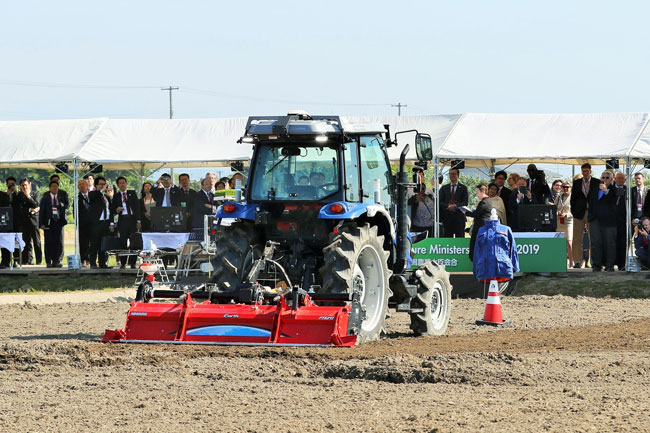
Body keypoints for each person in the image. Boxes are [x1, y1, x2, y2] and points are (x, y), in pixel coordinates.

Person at [465, 183, 507, 262]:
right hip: (482, 230)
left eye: (477, 192)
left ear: (483, 191)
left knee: (476, 252)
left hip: (480, 230)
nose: (477, 195)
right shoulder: (488, 201)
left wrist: (465, 212)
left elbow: (476, 214)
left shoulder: (485, 202)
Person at [570, 163, 600, 268]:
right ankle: (577, 261)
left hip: (592, 213)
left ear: (590, 171)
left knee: (594, 238)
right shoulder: (577, 183)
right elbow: (572, 199)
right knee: (577, 238)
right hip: (579, 213)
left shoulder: (597, 182)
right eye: (583, 171)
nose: (585, 173)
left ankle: (593, 261)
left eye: (587, 171)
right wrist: (574, 211)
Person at [588, 171, 617, 272]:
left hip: (609, 222)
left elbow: (613, 202)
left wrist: (606, 191)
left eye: (607, 178)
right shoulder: (595, 190)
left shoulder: (614, 190)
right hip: (595, 221)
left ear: (611, 179)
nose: (604, 179)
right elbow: (590, 203)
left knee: (609, 244)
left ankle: (609, 265)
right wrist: (590, 217)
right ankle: (596, 265)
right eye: (602, 177)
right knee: (596, 243)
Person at [111, 176, 141, 269]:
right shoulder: (116, 196)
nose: (122, 184)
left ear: (126, 184)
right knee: (122, 242)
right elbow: (112, 210)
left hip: (132, 220)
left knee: (134, 242)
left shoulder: (132, 193)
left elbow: (137, 207)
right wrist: (117, 209)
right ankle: (123, 263)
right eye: (120, 183)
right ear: (118, 185)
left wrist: (138, 220)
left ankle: (132, 263)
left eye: (124, 182)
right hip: (122, 220)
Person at [39, 180, 67, 268]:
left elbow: (63, 209)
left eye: (56, 186)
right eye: (53, 186)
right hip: (48, 223)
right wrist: (41, 224)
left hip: (58, 223)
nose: (55, 188)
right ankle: (48, 261)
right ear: (50, 188)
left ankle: (56, 261)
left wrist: (62, 221)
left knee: (57, 242)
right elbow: (42, 212)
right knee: (48, 242)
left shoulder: (60, 199)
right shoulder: (45, 199)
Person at [88, 176, 114, 269]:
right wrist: (101, 191)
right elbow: (91, 198)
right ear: (96, 185)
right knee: (94, 243)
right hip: (96, 223)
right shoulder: (93, 194)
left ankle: (103, 263)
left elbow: (111, 210)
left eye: (104, 184)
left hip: (105, 223)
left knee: (104, 244)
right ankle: (92, 263)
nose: (103, 186)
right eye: (101, 184)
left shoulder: (106, 196)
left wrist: (111, 223)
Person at [15, 178, 41, 265]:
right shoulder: (19, 195)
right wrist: (30, 209)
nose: (24, 187)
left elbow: (36, 204)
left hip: (34, 221)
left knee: (37, 242)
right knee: (26, 242)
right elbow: (20, 208)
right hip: (24, 221)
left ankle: (39, 260)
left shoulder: (36, 193)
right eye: (22, 185)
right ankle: (27, 260)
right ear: (20, 187)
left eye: (26, 185)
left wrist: (28, 196)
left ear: (29, 184)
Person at [438, 168, 468, 237]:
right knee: (447, 239)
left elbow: (465, 202)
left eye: (454, 174)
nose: (452, 176)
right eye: (450, 174)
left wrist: (455, 206)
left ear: (458, 175)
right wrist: (448, 206)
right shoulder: (444, 188)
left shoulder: (463, 188)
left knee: (460, 239)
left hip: (459, 218)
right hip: (447, 218)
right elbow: (440, 202)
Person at [49, 174, 69, 265]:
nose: (56, 183)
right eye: (54, 181)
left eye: (58, 181)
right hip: (50, 220)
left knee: (60, 240)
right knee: (51, 240)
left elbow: (67, 205)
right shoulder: (47, 194)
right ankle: (51, 259)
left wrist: (61, 206)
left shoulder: (63, 193)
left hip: (59, 220)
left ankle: (59, 258)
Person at [555, 182, 574, 268]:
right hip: (559, 221)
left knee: (569, 242)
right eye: (564, 187)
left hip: (569, 221)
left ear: (570, 188)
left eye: (567, 187)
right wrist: (557, 213)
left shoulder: (573, 197)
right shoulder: (559, 197)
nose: (565, 188)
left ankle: (571, 261)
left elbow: (575, 211)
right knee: (560, 242)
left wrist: (567, 214)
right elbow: (554, 207)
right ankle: (562, 261)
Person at [613, 172, 628, 271]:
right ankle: (609, 264)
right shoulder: (609, 189)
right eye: (618, 178)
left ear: (625, 180)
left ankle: (621, 264)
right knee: (610, 243)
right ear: (614, 178)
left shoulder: (628, 190)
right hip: (610, 220)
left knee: (622, 243)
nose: (619, 180)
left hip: (623, 221)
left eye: (622, 178)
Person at [77, 179, 92, 267]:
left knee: (92, 242)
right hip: (82, 225)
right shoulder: (77, 198)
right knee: (83, 243)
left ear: (87, 186)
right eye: (80, 185)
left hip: (92, 224)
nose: (81, 186)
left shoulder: (92, 196)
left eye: (83, 184)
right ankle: (83, 259)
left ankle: (91, 259)